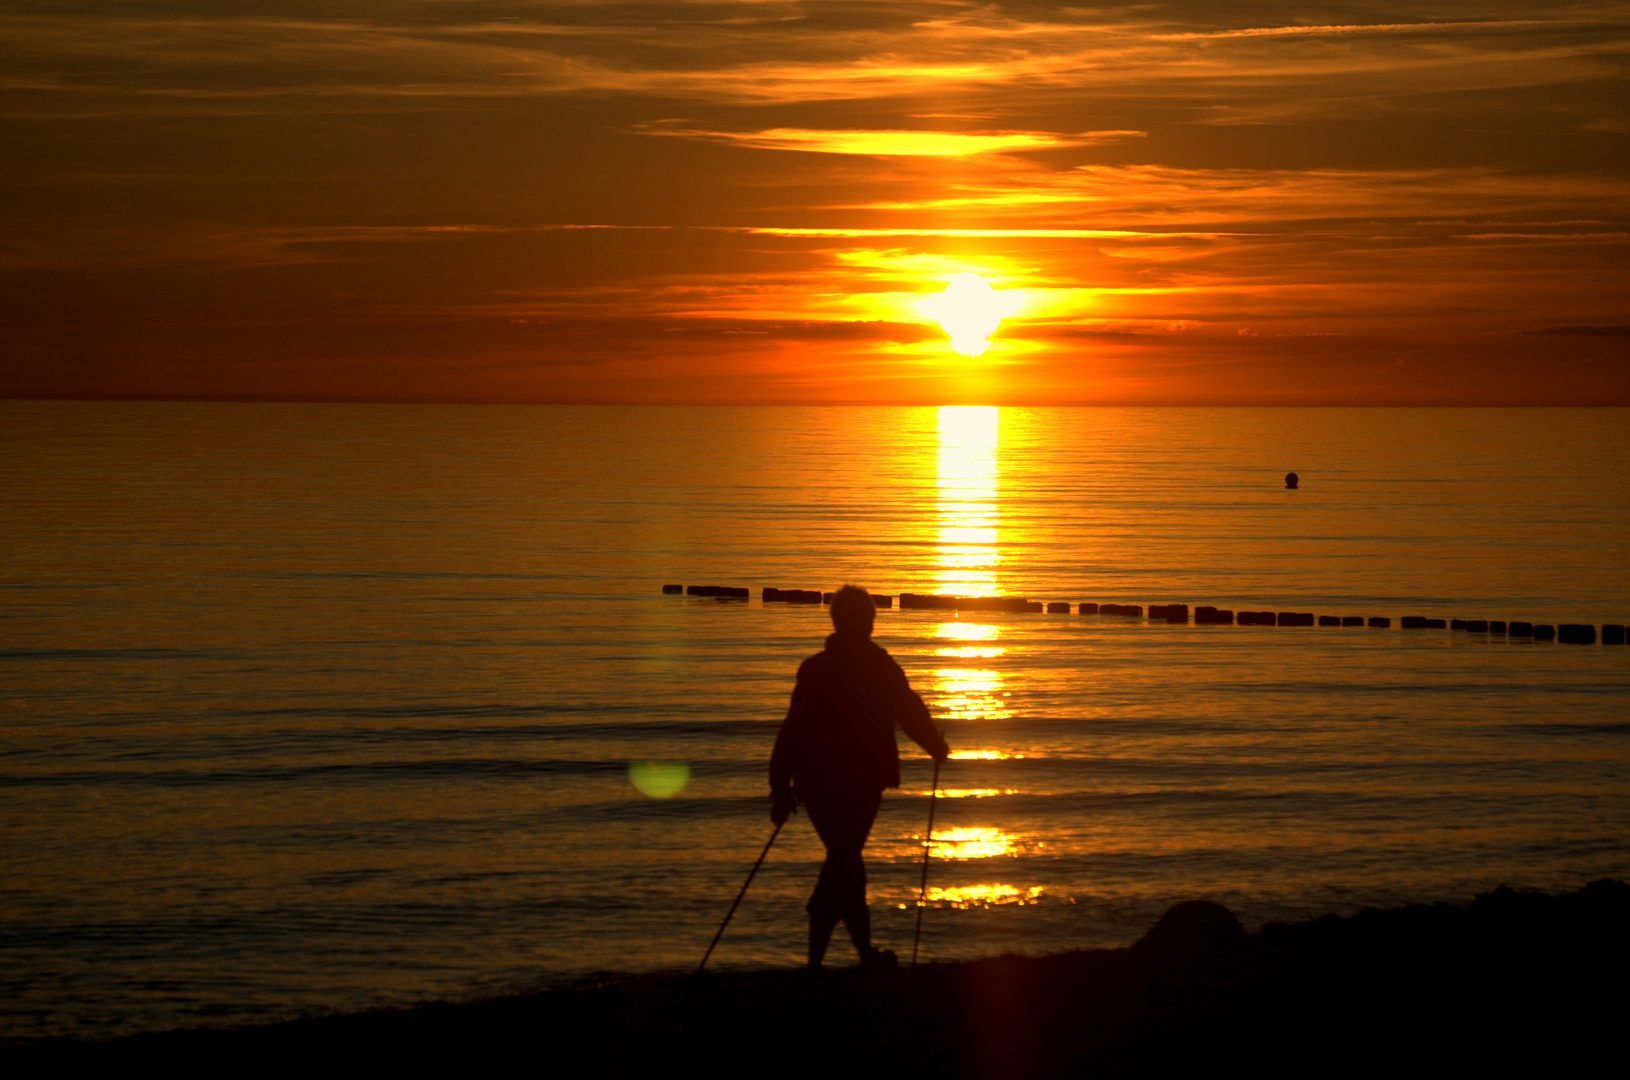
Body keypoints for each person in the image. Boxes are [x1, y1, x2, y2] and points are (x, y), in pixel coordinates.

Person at [769, 584, 950, 971]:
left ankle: (840, 959)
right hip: (863, 781)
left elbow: (792, 731)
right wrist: (935, 745)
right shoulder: (880, 666)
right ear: (867, 623)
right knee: (845, 859)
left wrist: (779, 785)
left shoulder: (815, 669)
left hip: (817, 784)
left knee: (844, 859)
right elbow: (910, 712)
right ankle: (845, 958)